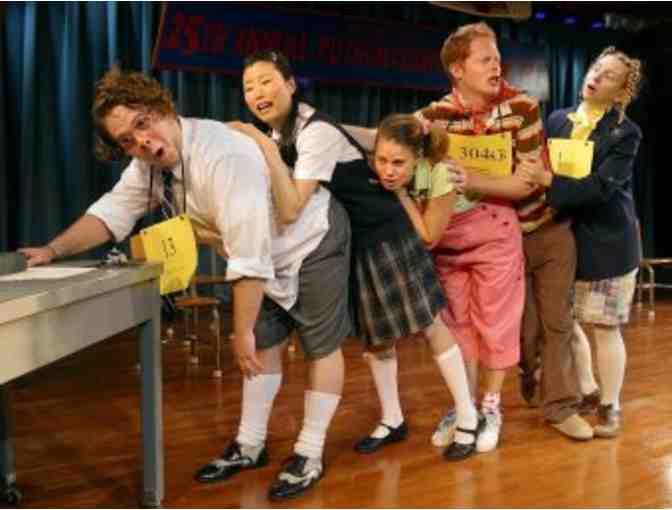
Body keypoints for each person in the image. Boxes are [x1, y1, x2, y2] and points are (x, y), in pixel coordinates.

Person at [20, 66, 353, 502]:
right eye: (127, 140)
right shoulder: (149, 166)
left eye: (143, 123)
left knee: (319, 347)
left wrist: (239, 331)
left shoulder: (223, 155)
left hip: (311, 241)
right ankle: (250, 445)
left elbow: (250, 254)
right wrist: (53, 250)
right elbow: (111, 212)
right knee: (264, 346)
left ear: (162, 107)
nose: (141, 141)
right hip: (261, 254)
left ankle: (309, 452)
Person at [230, 50, 482, 467]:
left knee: (431, 326)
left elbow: (292, 206)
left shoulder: (312, 131)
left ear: (290, 85)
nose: (258, 92)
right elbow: (360, 137)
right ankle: (392, 418)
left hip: (388, 237)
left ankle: (469, 416)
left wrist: (256, 141)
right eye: (249, 86)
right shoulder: (286, 133)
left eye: (266, 81)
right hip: (356, 246)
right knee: (376, 341)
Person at [519, 46, 643, 438]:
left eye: (609, 76)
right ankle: (588, 388)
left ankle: (610, 406)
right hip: (563, 239)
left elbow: (600, 189)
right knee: (566, 323)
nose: (596, 76)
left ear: (620, 92)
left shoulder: (625, 133)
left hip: (607, 243)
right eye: (596, 68)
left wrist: (548, 181)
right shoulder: (557, 119)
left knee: (604, 327)